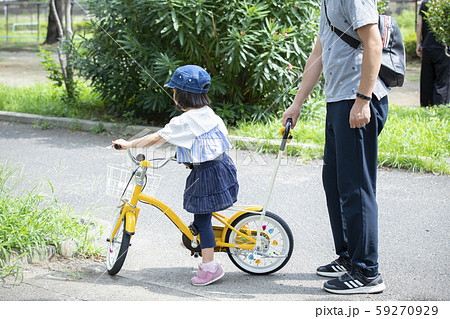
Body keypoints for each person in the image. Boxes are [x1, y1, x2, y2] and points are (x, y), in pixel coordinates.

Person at [282, 0, 388, 294]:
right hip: (338, 101)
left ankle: (367, 272)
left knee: (356, 187)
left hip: (357, 99)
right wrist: (297, 103)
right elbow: (319, 53)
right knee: (335, 182)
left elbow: (373, 42)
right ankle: (348, 257)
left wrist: (363, 99)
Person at [112, 65, 239, 286]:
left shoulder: (184, 122)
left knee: (202, 218)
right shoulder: (208, 114)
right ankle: (198, 238)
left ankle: (210, 267)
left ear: (180, 95)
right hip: (222, 167)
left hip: (207, 174)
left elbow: (156, 138)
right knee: (203, 214)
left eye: (174, 91)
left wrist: (128, 144)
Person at [416, 0, 450, 106]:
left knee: (427, 78)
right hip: (443, 46)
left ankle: (426, 104)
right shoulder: (446, 4)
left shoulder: (425, 3)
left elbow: (419, 23)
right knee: (442, 79)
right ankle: (440, 105)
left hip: (427, 45)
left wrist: (418, 44)